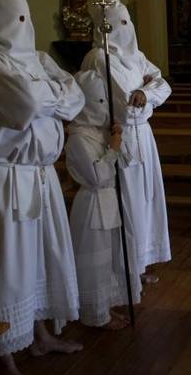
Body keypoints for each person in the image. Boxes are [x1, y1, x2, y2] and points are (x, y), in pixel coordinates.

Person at [0, 0, 85, 374]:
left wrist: (44, 95)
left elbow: (74, 98)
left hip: (38, 175)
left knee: (41, 257)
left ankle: (40, 335)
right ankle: (4, 352)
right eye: (15, 19)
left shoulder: (36, 59)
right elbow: (26, 104)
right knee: (4, 266)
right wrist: (50, 96)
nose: (22, 26)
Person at [84, 0, 172, 283]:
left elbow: (163, 83)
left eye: (127, 22)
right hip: (122, 137)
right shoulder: (99, 58)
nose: (126, 28)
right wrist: (143, 97)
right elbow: (127, 109)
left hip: (144, 136)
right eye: (120, 23)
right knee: (129, 201)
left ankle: (141, 262)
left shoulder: (136, 56)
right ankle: (127, 268)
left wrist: (147, 93)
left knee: (146, 199)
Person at [66, 71, 141, 330]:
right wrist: (113, 147)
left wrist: (120, 137)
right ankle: (95, 314)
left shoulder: (99, 131)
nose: (104, 109)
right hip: (93, 204)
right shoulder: (78, 138)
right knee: (95, 260)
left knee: (111, 257)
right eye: (99, 103)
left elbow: (127, 161)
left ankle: (107, 307)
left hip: (111, 201)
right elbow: (98, 176)